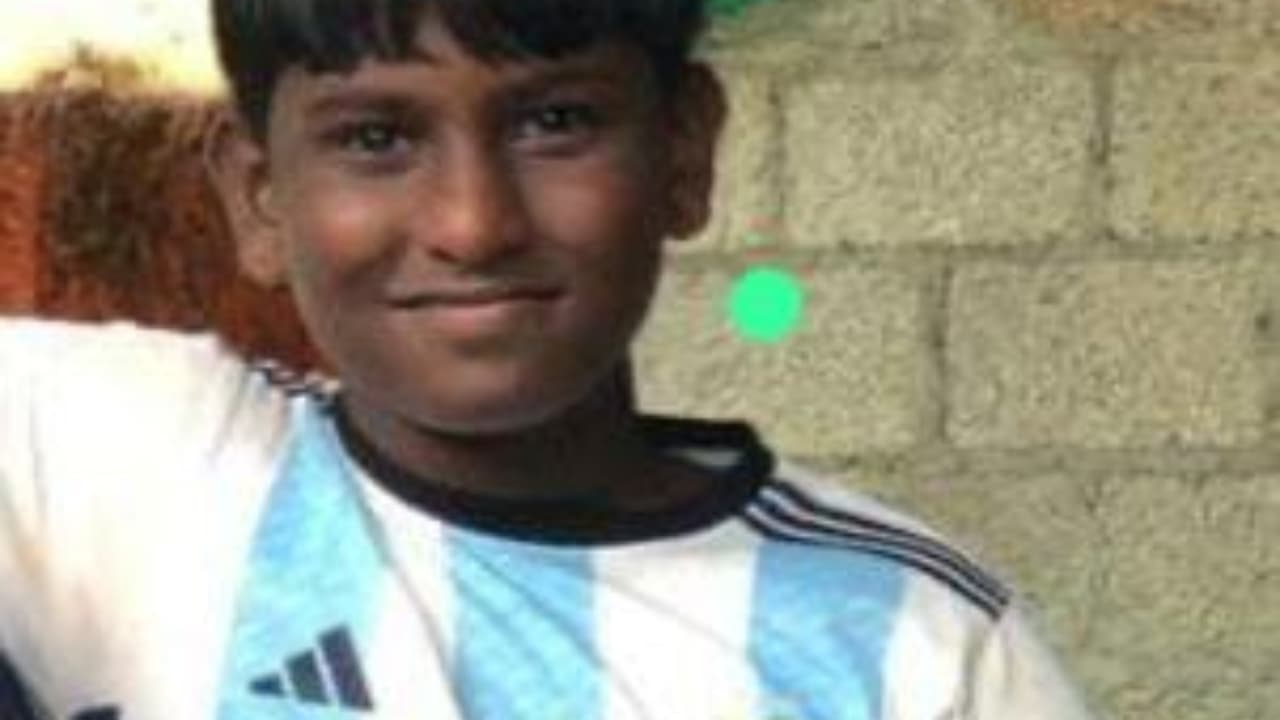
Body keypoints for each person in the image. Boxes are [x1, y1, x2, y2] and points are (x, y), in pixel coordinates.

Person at [0, 0, 1099, 718]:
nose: (473, 224)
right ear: (257, 195)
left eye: (556, 121)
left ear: (684, 152)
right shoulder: (129, 476)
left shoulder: (909, 643)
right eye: (375, 138)